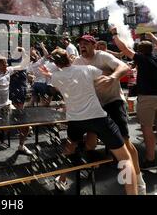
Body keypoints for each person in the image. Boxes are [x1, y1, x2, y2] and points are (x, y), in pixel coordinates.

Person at [38, 48, 137, 195]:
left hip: (75, 121)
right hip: (97, 118)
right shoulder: (87, 69)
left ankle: (62, 178)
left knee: (69, 149)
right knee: (125, 159)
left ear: (56, 64)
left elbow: (60, 77)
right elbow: (110, 75)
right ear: (70, 58)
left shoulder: (55, 77)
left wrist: (49, 74)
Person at [73, 34, 146, 194]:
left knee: (124, 144)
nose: (82, 46)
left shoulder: (103, 56)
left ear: (93, 45)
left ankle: (138, 180)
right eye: (80, 44)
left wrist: (112, 77)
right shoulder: (78, 62)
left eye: (86, 43)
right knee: (90, 143)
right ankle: (74, 172)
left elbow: (124, 67)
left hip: (113, 102)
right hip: (95, 106)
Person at [111, 29, 157, 170]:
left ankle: (150, 159)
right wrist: (152, 36)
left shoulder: (142, 58)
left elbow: (123, 48)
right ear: (151, 49)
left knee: (147, 129)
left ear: (140, 51)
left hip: (147, 99)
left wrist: (114, 35)